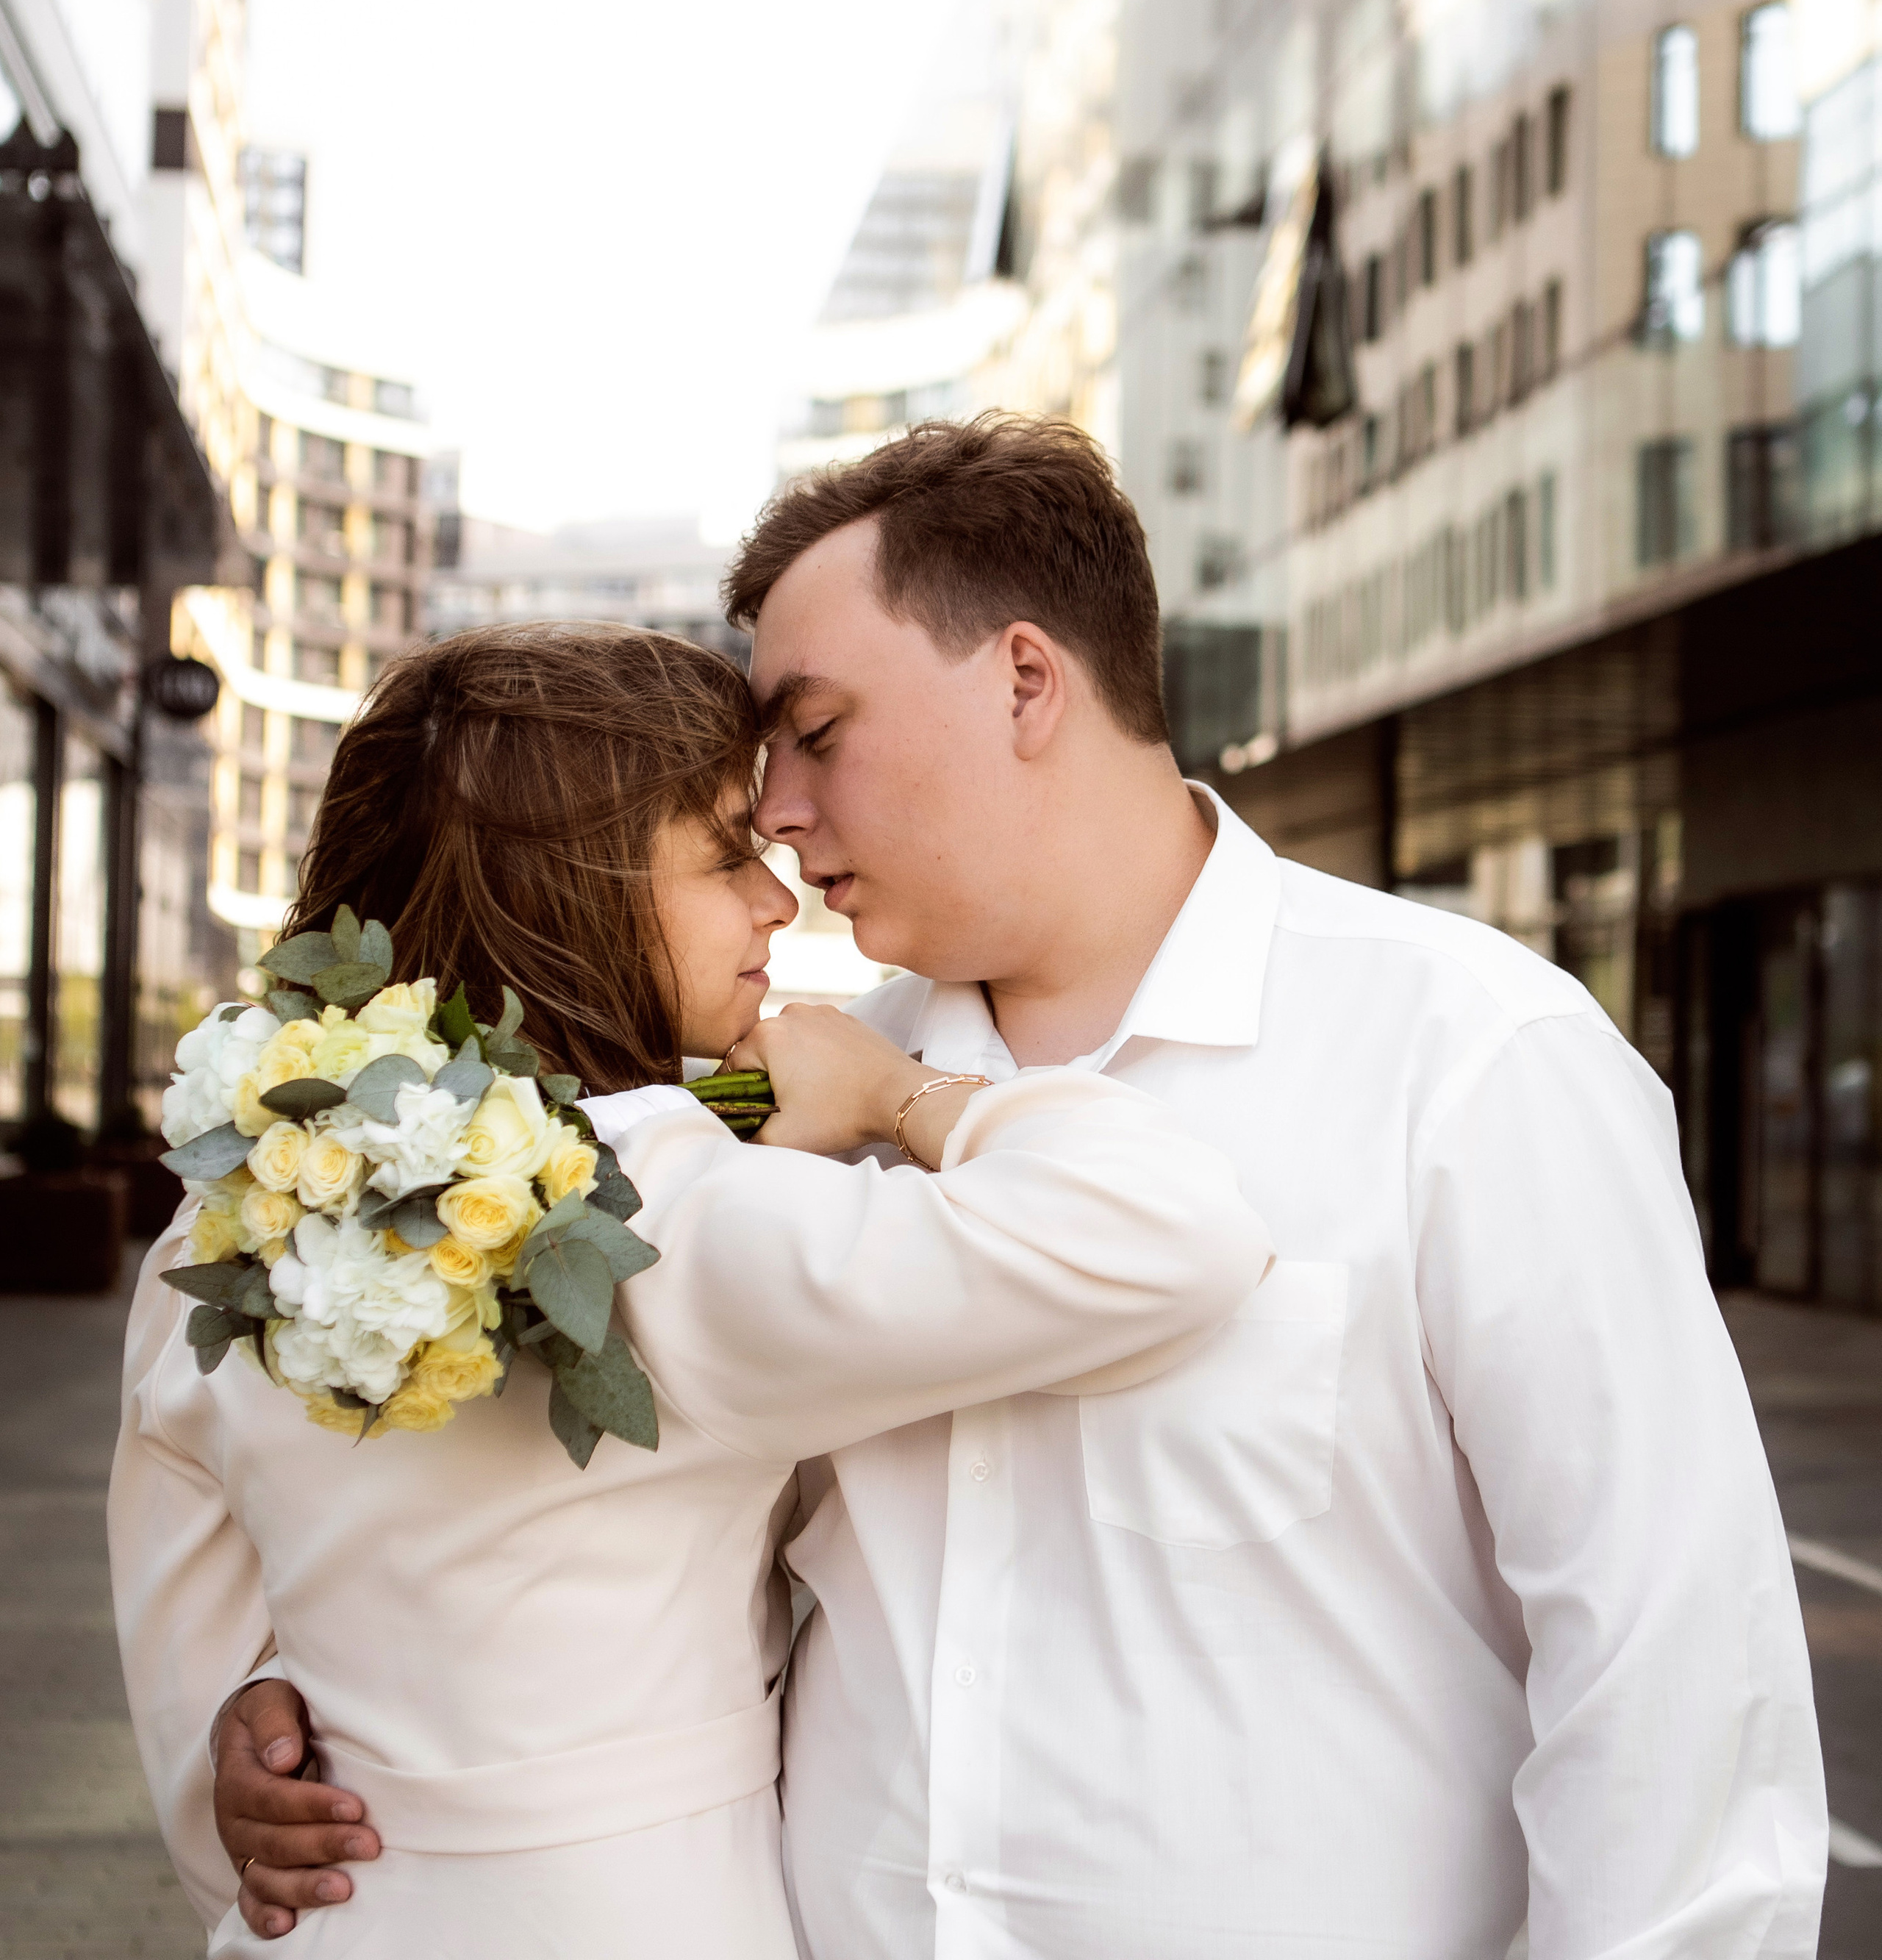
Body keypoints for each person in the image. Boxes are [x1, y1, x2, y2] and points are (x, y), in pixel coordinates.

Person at [218, 414, 1828, 1960]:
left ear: (1024, 680)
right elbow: (579, 1520)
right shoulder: (756, 1098)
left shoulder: (1471, 1058)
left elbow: (1673, 1666)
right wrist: (299, 1706)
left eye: (815, 733)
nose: (775, 812)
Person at [110, 618, 1269, 1955]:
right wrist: (902, 1091)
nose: (782, 901)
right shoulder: (659, 1215)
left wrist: (249, 1735)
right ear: (569, 889)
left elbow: (185, 1661)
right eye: (730, 854)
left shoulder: (239, 1214)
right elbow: (1174, 1233)